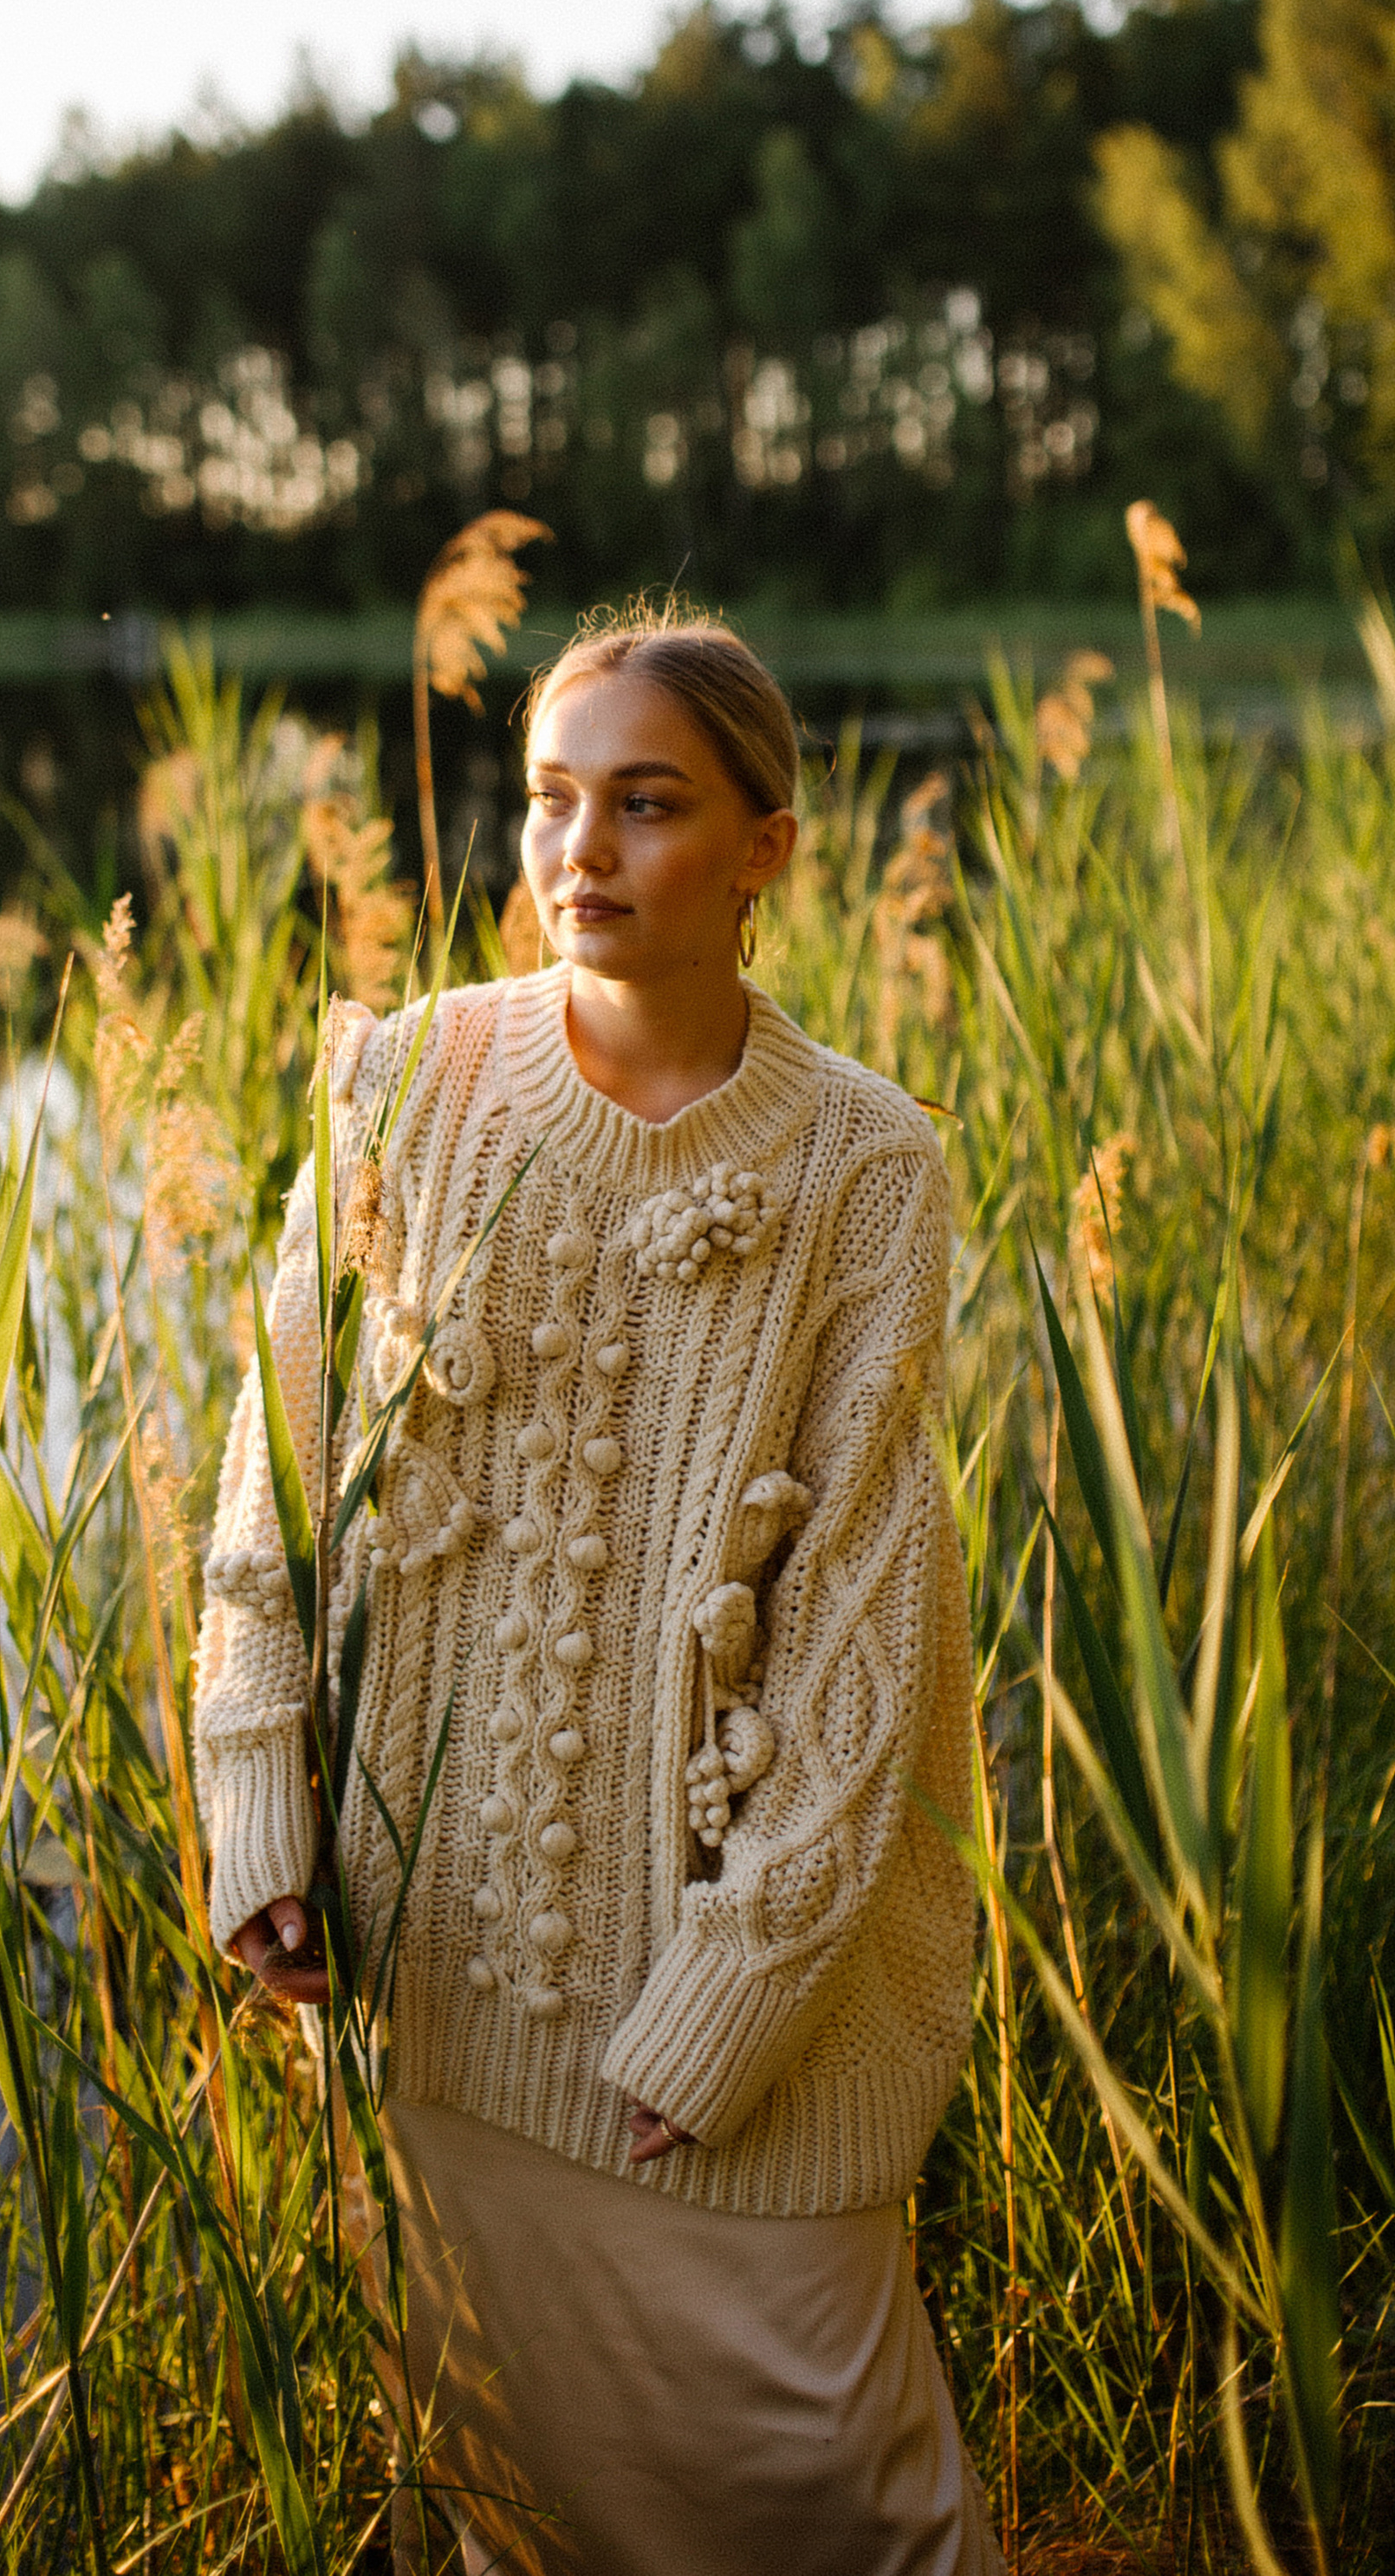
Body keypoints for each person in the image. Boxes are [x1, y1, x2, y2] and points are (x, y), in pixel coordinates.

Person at [191, 605, 1002, 2574]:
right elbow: (276, 1475)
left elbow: (860, 1636)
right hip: (434, 1954)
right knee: (500, 2486)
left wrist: (724, 2004)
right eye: (552, 799)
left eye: (647, 805)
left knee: (837, 2479)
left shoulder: (861, 1165)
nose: (581, 851)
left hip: (733, 1995)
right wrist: (258, 1810)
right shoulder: (403, 1080)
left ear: (761, 849)